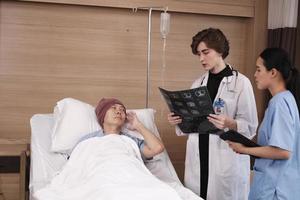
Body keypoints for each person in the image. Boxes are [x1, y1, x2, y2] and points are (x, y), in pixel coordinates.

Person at [167, 28, 258, 199]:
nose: (201, 58)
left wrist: (230, 123)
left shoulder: (241, 83)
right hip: (199, 155)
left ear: (220, 50)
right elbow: (191, 124)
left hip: (225, 157)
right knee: (197, 194)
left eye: (205, 52)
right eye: (198, 54)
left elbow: (251, 126)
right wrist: (178, 120)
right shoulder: (197, 84)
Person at [228, 48, 300, 199]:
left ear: (273, 72)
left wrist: (244, 149)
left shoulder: (279, 103)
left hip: (275, 189)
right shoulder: (287, 99)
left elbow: (283, 152)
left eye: (259, 69)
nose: (255, 75)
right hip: (280, 185)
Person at [78, 98, 165, 159]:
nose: (119, 111)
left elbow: (157, 148)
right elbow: (74, 162)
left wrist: (138, 125)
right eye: (113, 108)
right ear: (102, 115)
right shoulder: (88, 140)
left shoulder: (133, 141)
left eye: (122, 110)